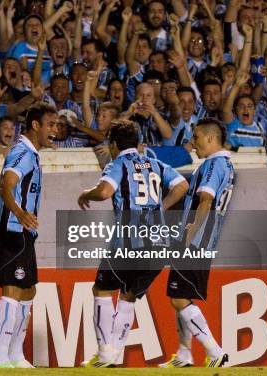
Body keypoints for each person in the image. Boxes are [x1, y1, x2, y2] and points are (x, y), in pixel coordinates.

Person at [77, 119, 188, 368]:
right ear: (137, 143)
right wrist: (161, 207)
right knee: (129, 296)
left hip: (129, 241)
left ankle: (105, 353)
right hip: (159, 243)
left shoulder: (118, 163)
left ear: (114, 144)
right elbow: (182, 185)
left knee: (102, 291)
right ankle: (112, 356)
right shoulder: (155, 163)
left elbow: (105, 191)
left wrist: (86, 193)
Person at [159, 118, 233, 368]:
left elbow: (205, 199)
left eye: (197, 137)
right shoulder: (225, 164)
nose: (194, 142)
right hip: (203, 240)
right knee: (179, 295)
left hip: (196, 240)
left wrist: (191, 231)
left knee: (179, 299)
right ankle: (184, 354)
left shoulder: (214, 164)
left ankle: (215, 352)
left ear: (211, 138)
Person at [0, 105, 58, 368]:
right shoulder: (23, 152)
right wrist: (19, 213)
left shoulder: (32, 154)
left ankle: (16, 355)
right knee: (13, 289)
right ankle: (0, 358)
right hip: (11, 230)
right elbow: (6, 184)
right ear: (36, 126)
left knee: (28, 290)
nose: (54, 130)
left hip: (23, 232)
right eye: (50, 124)